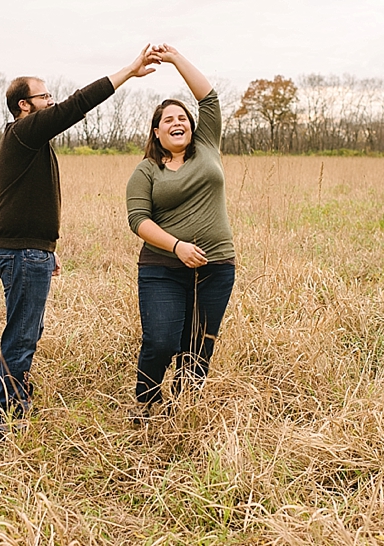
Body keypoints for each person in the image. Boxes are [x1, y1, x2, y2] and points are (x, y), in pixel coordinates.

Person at [0, 45, 160, 426]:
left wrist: (46, 247)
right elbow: (77, 104)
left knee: (27, 329)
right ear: (24, 105)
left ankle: (16, 399)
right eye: (44, 96)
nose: (51, 101)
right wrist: (129, 71)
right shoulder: (25, 132)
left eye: (50, 95)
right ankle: (9, 416)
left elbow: (26, 201)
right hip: (22, 253)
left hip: (29, 249)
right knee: (22, 335)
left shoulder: (28, 141)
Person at [125, 44, 235, 423]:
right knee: (161, 341)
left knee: (199, 346)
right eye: (168, 119)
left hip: (216, 266)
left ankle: (182, 409)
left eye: (182, 117)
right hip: (162, 269)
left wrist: (174, 59)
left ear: (192, 125)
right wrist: (177, 246)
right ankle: (146, 402)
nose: (178, 122)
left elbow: (209, 98)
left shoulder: (207, 147)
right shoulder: (146, 171)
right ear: (157, 132)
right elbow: (138, 220)